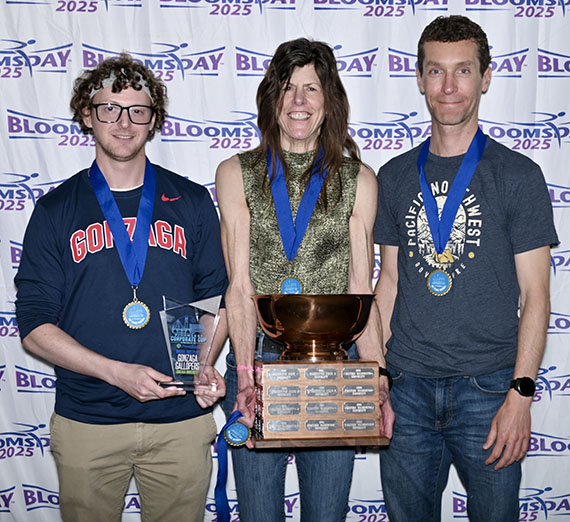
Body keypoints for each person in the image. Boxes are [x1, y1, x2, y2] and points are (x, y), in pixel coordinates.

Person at [14, 53, 228, 522]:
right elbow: (33, 324)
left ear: (154, 120)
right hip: (88, 419)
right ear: (87, 116)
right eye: (109, 108)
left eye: (137, 110)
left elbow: (212, 299)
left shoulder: (190, 201)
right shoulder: (56, 210)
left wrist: (199, 366)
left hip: (179, 418)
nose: (124, 122)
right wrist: (116, 373)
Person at [374, 15, 559, 522]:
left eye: (462, 71)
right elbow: (387, 282)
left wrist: (520, 394)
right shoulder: (392, 176)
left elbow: (536, 296)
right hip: (407, 388)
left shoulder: (518, 175)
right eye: (436, 72)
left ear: (486, 77)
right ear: (419, 78)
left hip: (489, 389)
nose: (449, 86)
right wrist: (379, 375)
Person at [215, 38, 394, 522]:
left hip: (336, 369)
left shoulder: (359, 179)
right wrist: (247, 376)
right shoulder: (235, 173)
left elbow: (364, 291)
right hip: (258, 361)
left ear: (328, 101)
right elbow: (238, 288)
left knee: (326, 514)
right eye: (289, 88)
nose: (298, 101)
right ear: (272, 98)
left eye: (311, 89)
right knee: (257, 514)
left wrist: (377, 379)